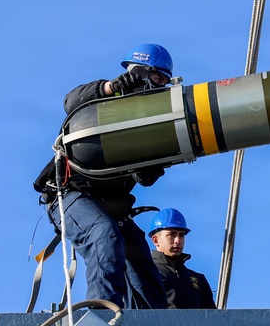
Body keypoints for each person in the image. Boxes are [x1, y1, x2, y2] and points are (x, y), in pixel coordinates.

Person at [33, 43, 175, 309]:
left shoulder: (148, 125)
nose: (161, 87)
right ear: (141, 74)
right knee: (103, 235)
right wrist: (111, 88)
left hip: (111, 205)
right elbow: (71, 102)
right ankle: (102, 316)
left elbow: (144, 178)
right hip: (72, 196)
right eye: (157, 79)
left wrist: (158, 156)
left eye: (164, 82)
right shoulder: (101, 102)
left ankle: (155, 321)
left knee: (140, 258)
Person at [148, 208, 216, 309]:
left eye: (181, 235)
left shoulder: (198, 280)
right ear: (155, 240)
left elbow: (212, 319)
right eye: (171, 235)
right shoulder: (145, 274)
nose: (178, 240)